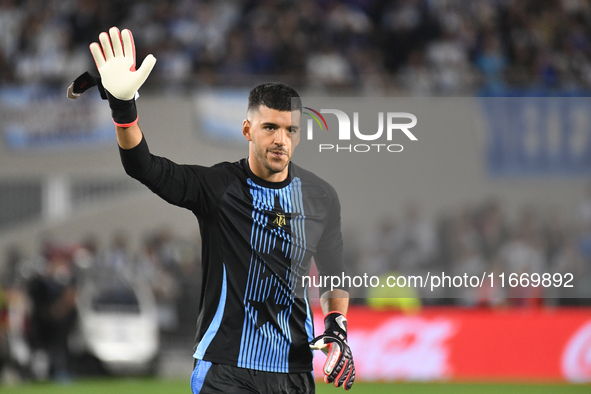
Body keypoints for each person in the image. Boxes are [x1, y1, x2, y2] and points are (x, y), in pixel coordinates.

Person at [77, 27, 355, 393]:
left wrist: (336, 328)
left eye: (290, 130)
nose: (280, 140)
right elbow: (143, 166)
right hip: (225, 369)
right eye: (269, 127)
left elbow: (335, 274)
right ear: (247, 129)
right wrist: (123, 107)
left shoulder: (321, 197)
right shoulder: (218, 187)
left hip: (294, 371)